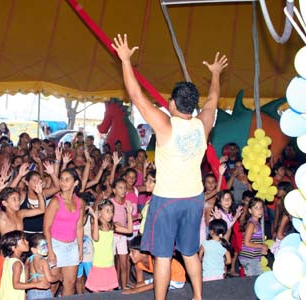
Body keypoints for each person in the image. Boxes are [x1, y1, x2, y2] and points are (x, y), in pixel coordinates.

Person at [112, 33, 227, 300]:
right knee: (189, 252)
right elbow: (213, 100)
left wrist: (126, 61)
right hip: (194, 199)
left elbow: (137, 97)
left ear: (172, 103)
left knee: (162, 256)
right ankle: (198, 297)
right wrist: (216, 74)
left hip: (167, 201)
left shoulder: (166, 125)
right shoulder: (203, 123)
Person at [43, 168, 86, 296]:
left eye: (67, 179)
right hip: (55, 245)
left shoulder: (80, 202)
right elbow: (46, 228)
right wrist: (50, 251)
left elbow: (79, 227)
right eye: (61, 179)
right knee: (52, 284)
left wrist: (80, 248)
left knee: (70, 283)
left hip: (72, 246)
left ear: (76, 183)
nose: (63, 182)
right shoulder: (55, 201)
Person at [85, 200, 133, 292]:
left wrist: (129, 213)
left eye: (112, 211)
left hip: (109, 265)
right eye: (107, 211)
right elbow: (95, 238)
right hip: (98, 265)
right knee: (97, 292)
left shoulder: (112, 227)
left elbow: (129, 230)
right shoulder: (95, 226)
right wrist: (95, 218)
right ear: (99, 212)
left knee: (110, 292)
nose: (110, 214)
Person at [0, 230, 49, 300]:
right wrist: (37, 284)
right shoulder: (17, 264)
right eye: (23, 240)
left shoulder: (8, 259)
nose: (27, 242)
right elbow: (16, 285)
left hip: (5, 295)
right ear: (13, 247)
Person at [239, 198, 268, 276]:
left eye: (261, 207)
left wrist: (260, 250)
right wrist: (262, 245)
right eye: (256, 208)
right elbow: (247, 243)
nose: (259, 210)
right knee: (254, 281)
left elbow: (254, 241)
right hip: (249, 258)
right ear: (250, 211)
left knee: (258, 278)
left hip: (253, 258)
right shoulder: (252, 224)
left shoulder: (256, 223)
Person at [26, 234, 60, 299]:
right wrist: (58, 277)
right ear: (33, 250)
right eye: (43, 246)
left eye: (47, 245)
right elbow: (50, 279)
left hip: (31, 291)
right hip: (43, 292)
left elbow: (27, 275)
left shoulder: (29, 260)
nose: (47, 249)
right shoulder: (43, 261)